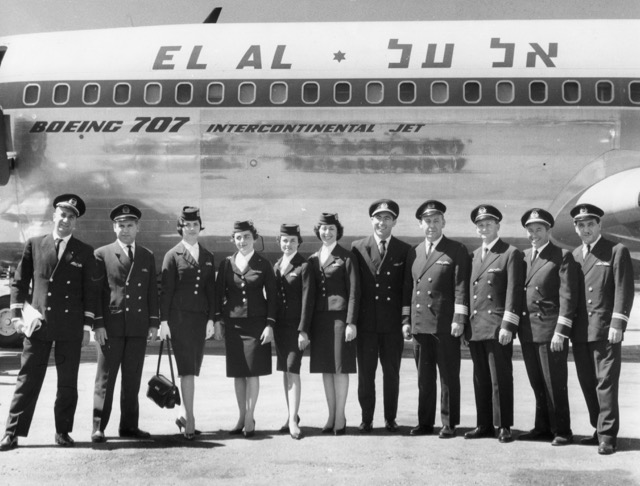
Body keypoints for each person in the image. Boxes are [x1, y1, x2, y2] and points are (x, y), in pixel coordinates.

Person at [0, 195, 96, 451]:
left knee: (67, 383)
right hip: (38, 325)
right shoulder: (35, 244)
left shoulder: (84, 251)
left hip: (70, 327)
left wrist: (87, 327)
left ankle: (62, 431)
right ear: (54, 216)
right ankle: (12, 432)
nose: (65, 220)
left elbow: (90, 292)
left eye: (71, 217)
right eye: (62, 215)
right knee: (28, 379)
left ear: (76, 222)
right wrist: (18, 317)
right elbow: (20, 282)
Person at [91, 203, 160, 443]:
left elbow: (152, 291)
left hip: (138, 327)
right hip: (111, 327)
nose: (125, 230)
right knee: (105, 379)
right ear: (114, 228)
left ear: (137, 228)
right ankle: (99, 427)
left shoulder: (146, 255)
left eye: (130, 225)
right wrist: (97, 324)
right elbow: (96, 293)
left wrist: (153, 324)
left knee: (132, 379)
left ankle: (129, 426)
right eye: (121, 225)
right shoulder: (102, 254)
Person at [402, 200, 470, 438]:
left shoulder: (456, 249)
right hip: (421, 324)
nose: (431, 225)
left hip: (444, 324)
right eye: (427, 221)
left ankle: (449, 423)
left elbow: (461, 287)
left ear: (444, 222)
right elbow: (408, 289)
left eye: (436, 221)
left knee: (449, 376)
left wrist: (459, 319)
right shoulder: (415, 252)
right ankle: (424, 422)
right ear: (421, 224)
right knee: (424, 378)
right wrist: (406, 320)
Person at [570, 203, 634, 455]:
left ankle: (608, 435)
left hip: (606, 330)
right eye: (581, 225)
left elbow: (623, 289)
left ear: (599, 225)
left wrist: (618, 323)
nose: (586, 229)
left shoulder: (616, 251)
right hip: (580, 331)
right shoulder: (574, 255)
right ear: (576, 228)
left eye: (590, 224)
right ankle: (597, 429)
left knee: (605, 382)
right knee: (587, 382)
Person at [518, 208, 577, 446]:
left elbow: (567, 297)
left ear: (548, 230)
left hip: (551, 330)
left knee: (554, 382)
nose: (534, 234)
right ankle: (542, 427)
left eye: (539, 230)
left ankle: (562, 429)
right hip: (528, 330)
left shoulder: (562, 256)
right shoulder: (523, 257)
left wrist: (561, 332)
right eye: (530, 230)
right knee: (536, 381)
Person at [465, 204, 524, 443]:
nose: (484, 228)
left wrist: (508, 325)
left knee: (500, 378)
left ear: (498, 225)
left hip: (498, 326)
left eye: (488, 223)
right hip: (477, 326)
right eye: (480, 224)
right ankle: (484, 424)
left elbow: (514, 292)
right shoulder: (473, 256)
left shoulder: (510, 253)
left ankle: (504, 425)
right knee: (480, 378)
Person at [351, 199, 410, 433]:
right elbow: (355, 288)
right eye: (378, 217)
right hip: (366, 325)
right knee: (366, 375)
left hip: (391, 325)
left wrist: (406, 321)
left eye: (387, 218)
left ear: (394, 221)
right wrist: (352, 322)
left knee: (391, 374)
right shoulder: (357, 247)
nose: (382, 222)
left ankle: (390, 418)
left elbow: (406, 289)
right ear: (371, 220)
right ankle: (366, 418)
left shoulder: (404, 250)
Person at [159, 207, 218, 440]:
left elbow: (210, 291)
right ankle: (190, 418)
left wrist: (212, 319)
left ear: (200, 227)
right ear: (181, 228)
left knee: (192, 369)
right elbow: (166, 292)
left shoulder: (208, 256)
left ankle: (184, 416)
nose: (191, 229)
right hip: (179, 321)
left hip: (199, 321)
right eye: (187, 225)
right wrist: (164, 321)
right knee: (187, 371)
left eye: (195, 225)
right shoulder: (172, 255)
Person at [215, 220, 277, 438]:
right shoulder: (225, 264)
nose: (242, 241)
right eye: (238, 237)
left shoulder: (263, 264)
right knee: (238, 373)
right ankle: (241, 416)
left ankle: (250, 415)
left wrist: (270, 325)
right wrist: (218, 321)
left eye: (247, 237)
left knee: (253, 372)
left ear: (255, 239)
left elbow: (273, 297)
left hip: (256, 325)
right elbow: (218, 294)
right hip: (234, 325)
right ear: (233, 239)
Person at [308, 213, 360, 435]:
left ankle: (341, 415)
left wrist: (351, 322)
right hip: (319, 321)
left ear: (338, 231)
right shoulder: (312, 258)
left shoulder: (346, 257)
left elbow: (354, 292)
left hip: (339, 319)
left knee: (340, 368)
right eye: (323, 228)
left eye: (331, 229)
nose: (326, 232)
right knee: (326, 370)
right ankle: (330, 415)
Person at [273, 224, 315, 440]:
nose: (287, 244)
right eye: (284, 240)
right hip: (280, 328)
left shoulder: (304, 266)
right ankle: (291, 415)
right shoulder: (278, 265)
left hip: (295, 328)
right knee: (285, 371)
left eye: (291, 241)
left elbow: (308, 301)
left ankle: (293, 420)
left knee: (293, 369)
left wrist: (303, 331)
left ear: (298, 242)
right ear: (279, 242)